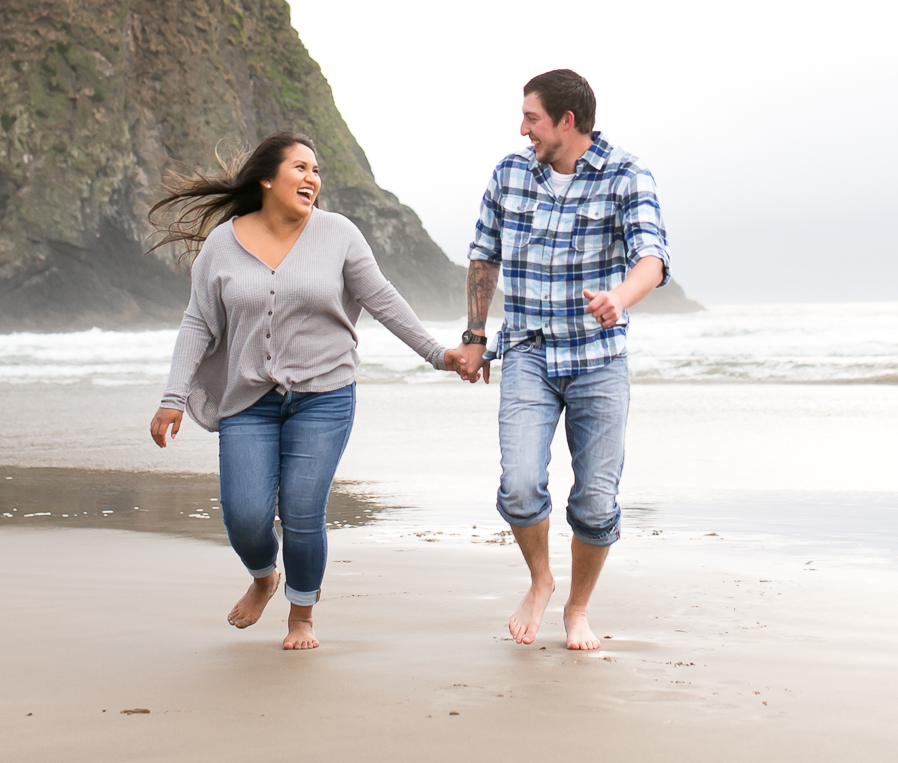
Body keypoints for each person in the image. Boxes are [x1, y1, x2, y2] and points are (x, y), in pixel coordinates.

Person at [148, 132, 474, 651]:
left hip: (324, 395)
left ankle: (302, 616)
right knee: (245, 515)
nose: (312, 178)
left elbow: (382, 298)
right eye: (300, 167)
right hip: (248, 399)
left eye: (316, 170)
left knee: (302, 510)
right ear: (267, 178)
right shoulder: (222, 244)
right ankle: (263, 577)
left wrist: (438, 354)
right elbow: (197, 324)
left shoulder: (338, 234)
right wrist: (172, 397)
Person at [452, 69, 670, 650]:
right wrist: (475, 336)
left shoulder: (627, 174)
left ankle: (578, 608)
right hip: (526, 351)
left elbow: (651, 256)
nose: (523, 129)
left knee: (596, 501)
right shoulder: (510, 173)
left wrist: (617, 299)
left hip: (599, 358)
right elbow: (482, 257)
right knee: (520, 486)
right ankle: (541, 579)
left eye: (532, 118)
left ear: (566, 121)